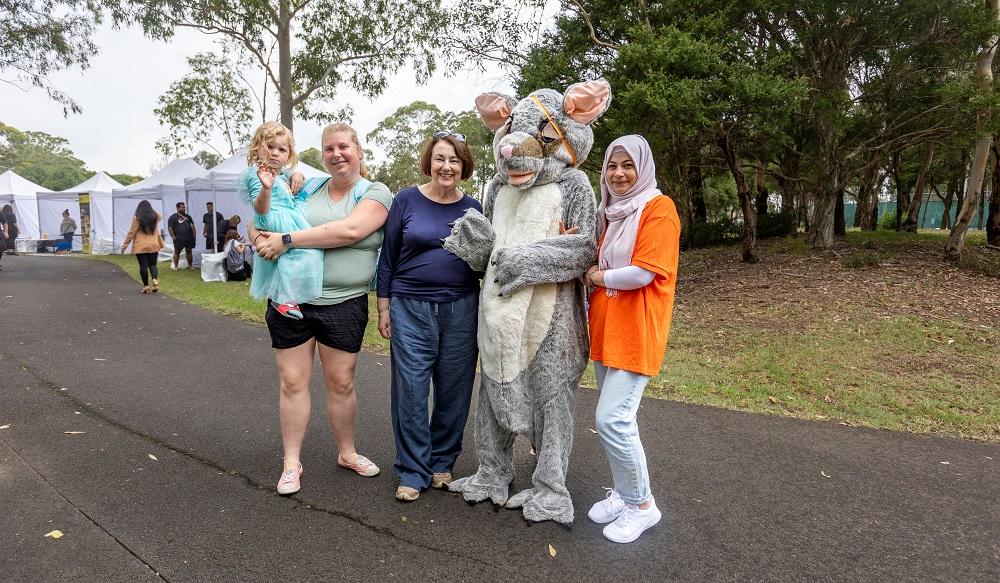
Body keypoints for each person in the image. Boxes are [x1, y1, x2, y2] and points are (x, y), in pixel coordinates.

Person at [252, 122, 393, 495]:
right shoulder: (306, 186)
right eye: (329, 149)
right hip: (291, 300)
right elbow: (260, 220)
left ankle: (347, 452)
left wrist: (286, 240)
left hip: (344, 304)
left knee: (341, 383)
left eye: (343, 146)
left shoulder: (374, 192)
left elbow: (348, 232)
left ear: (358, 151)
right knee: (293, 382)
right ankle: (291, 463)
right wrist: (259, 238)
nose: (336, 154)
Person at [583, 135, 681, 544]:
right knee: (614, 422)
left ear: (644, 168)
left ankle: (642, 505)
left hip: (636, 330)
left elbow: (642, 272)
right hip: (608, 327)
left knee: (613, 419)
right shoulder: (613, 214)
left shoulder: (658, 208)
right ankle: (625, 494)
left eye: (628, 165)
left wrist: (597, 276)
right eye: (611, 165)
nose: (619, 174)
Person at [376, 131, 482, 502]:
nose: (446, 166)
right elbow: (387, 257)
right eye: (440, 159)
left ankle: (441, 463)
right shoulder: (405, 200)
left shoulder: (474, 208)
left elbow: (484, 260)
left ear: (463, 165)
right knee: (411, 390)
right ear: (429, 162)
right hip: (409, 308)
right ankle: (412, 469)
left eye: (454, 160)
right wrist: (384, 305)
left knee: (455, 389)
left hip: (461, 309)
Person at [239, 121, 324, 319]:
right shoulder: (256, 174)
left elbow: (288, 179)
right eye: (270, 147)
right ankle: (283, 299)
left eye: (281, 149)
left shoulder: (282, 174)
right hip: (274, 219)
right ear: (257, 148)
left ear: (289, 155)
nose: (275, 153)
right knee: (300, 256)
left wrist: (298, 174)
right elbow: (259, 209)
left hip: (290, 218)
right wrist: (266, 189)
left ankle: (289, 297)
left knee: (304, 256)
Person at [121, 200, 166, 294]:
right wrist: (150, 209)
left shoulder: (137, 218)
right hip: (154, 244)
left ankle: (146, 286)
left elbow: (131, 232)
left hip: (140, 245)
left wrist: (125, 245)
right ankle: (154, 280)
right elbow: (160, 216)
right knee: (153, 265)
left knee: (143, 266)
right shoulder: (155, 217)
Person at [167, 201, 196, 270]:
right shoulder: (172, 217)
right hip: (178, 238)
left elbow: (193, 226)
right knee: (177, 252)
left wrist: (194, 235)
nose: (184, 208)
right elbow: (170, 227)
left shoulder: (188, 217)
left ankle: (190, 266)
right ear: (177, 208)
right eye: (182, 207)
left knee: (189, 251)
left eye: (184, 207)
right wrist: (173, 237)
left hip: (189, 238)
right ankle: (176, 267)